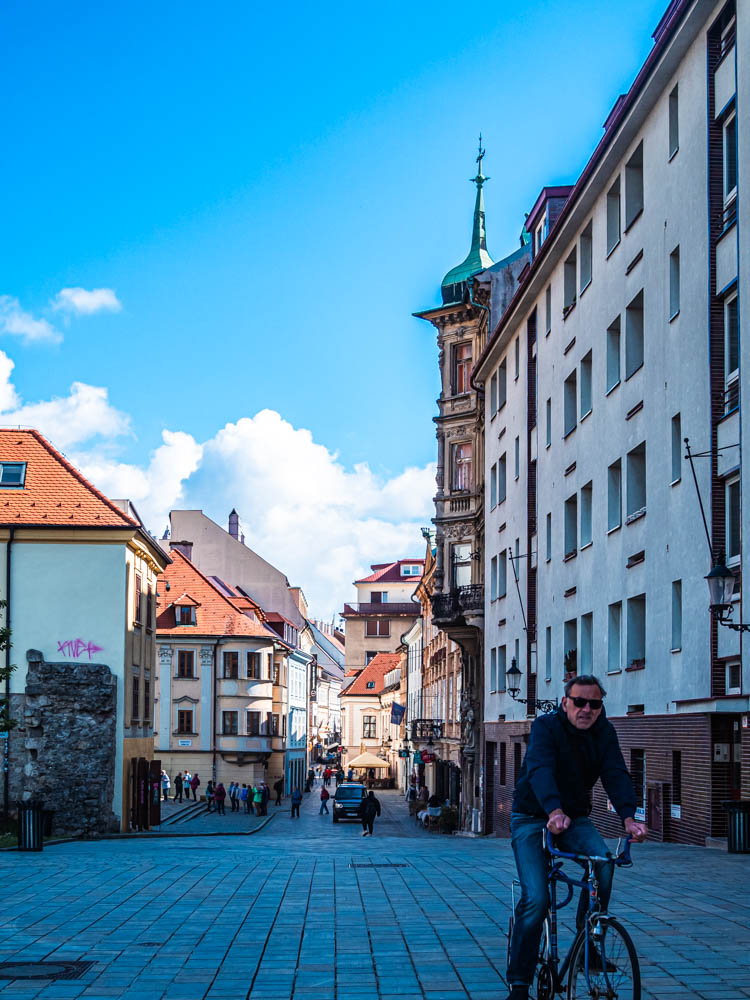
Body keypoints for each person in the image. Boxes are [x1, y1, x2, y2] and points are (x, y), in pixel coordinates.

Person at [504, 675, 648, 1000]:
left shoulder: (604, 732)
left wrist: (629, 817)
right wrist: (553, 811)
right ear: (565, 702)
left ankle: (589, 940)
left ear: (601, 706)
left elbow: (615, 773)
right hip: (531, 817)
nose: (586, 709)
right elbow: (539, 768)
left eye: (594, 704)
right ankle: (519, 983)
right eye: (579, 702)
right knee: (537, 899)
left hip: (574, 818)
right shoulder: (546, 727)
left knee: (604, 864)